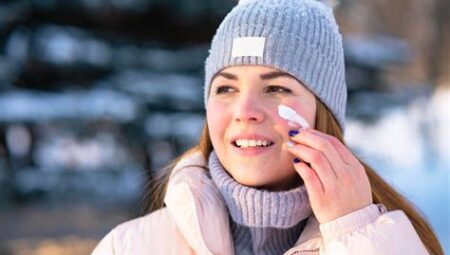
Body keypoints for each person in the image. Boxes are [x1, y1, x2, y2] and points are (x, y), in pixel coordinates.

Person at [91, 0, 444, 254]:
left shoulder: (387, 240)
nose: (245, 111)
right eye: (226, 88)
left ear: (323, 113)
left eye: (276, 88)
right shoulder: (129, 247)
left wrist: (355, 234)